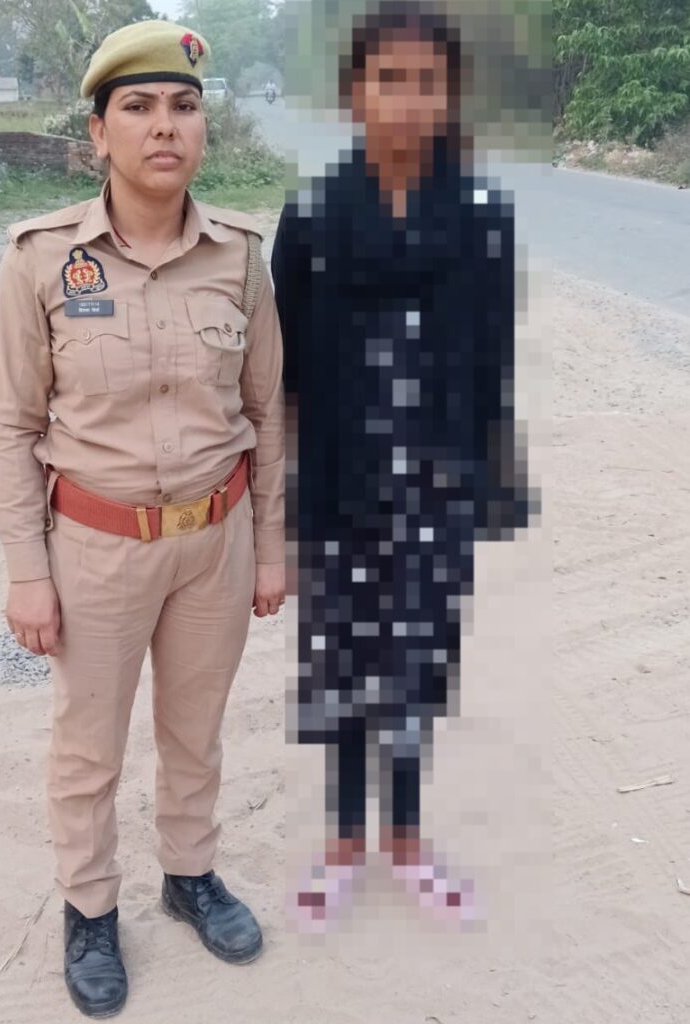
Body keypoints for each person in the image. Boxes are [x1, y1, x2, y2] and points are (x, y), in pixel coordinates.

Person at [0, 19, 285, 1018]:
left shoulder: (241, 258)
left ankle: (189, 876)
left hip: (215, 544)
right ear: (98, 133)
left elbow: (266, 414)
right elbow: (11, 423)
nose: (165, 126)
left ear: (203, 126)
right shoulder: (41, 261)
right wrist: (28, 571)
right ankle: (90, 907)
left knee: (195, 731)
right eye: (138, 107)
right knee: (89, 747)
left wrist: (270, 550)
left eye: (183, 107)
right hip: (96, 548)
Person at [272, 1, 533, 931]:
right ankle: (345, 841)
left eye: (427, 82)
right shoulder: (310, 219)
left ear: (448, 94)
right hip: (338, 483)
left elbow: (494, 366)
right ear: (355, 92)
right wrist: (289, 496)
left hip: (438, 485)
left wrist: (487, 481)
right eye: (389, 79)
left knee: (417, 663)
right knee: (342, 664)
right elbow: (285, 374)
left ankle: (409, 842)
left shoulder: (482, 219)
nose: (408, 99)